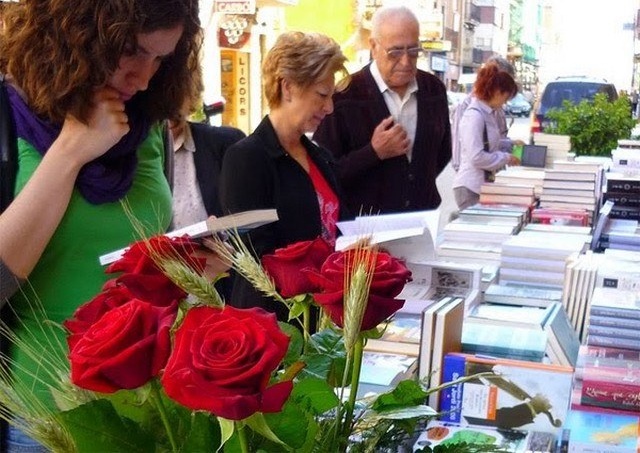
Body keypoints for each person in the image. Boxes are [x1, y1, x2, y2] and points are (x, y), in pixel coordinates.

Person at [0, 0, 206, 450]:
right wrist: (71, 152)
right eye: (132, 50)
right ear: (78, 33)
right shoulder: (8, 115)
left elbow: (147, 257)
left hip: (149, 410)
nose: (145, 77)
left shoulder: (147, 122)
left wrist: (189, 264)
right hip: (42, 416)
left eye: (160, 58)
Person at [219, 31, 350, 320]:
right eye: (322, 95)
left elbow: (339, 228)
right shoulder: (246, 157)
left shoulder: (320, 156)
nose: (329, 108)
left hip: (319, 316)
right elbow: (254, 252)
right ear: (288, 87)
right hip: (272, 320)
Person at [313, 5, 451, 214]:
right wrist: (373, 153)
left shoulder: (433, 90)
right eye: (395, 52)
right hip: (364, 230)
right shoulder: (344, 96)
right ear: (374, 46)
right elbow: (325, 174)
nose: (405, 62)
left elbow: (442, 152)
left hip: (421, 221)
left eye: (413, 52)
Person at [452, 62, 521, 210]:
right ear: (497, 92)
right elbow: (477, 156)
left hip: (482, 185)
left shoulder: (488, 112)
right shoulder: (474, 116)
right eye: (506, 97)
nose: (505, 102)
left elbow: (489, 143)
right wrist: (506, 158)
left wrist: (510, 144)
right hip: (471, 187)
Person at [451, 55, 523, 174]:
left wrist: (511, 144)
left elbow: (491, 142)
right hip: (474, 178)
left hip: (492, 175)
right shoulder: (468, 108)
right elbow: (460, 153)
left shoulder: (496, 108)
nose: (506, 96)